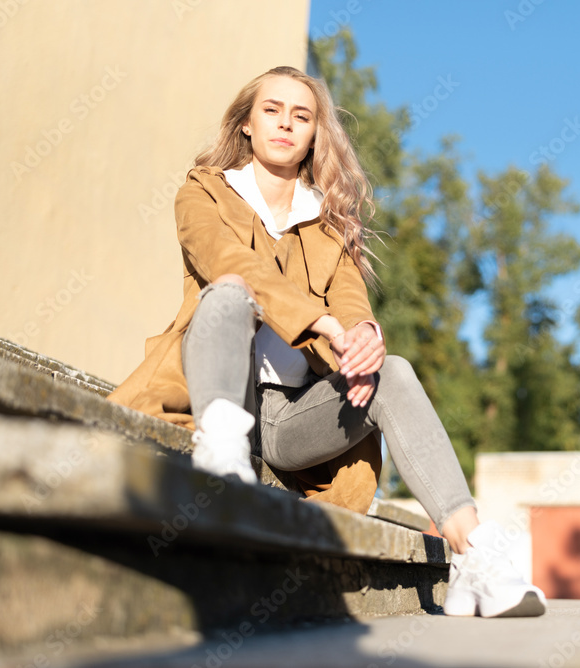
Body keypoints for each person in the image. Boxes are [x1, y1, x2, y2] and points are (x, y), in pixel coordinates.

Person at [107, 66, 546, 618]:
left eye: (302, 115)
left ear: (315, 133)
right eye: (272, 110)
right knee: (228, 293)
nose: (286, 124)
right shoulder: (203, 192)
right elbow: (228, 262)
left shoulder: (329, 224)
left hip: (293, 420)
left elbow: (351, 304)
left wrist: (362, 335)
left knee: (395, 371)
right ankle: (221, 462)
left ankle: (471, 553)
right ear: (246, 122)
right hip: (217, 396)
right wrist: (322, 325)